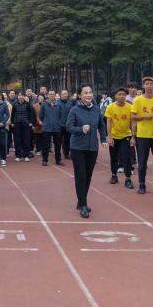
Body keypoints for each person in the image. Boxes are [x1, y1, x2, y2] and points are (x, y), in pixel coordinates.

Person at [66, 84, 107, 219]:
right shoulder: (74, 110)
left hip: (92, 148)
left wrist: (103, 139)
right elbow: (69, 127)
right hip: (78, 147)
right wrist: (81, 129)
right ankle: (83, 204)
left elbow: (101, 126)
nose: (89, 95)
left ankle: (81, 201)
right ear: (80, 95)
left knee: (88, 176)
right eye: (85, 93)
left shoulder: (96, 109)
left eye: (90, 92)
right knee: (81, 176)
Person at [130, 77, 153, 195]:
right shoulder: (138, 100)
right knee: (142, 161)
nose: (149, 86)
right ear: (143, 86)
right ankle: (142, 184)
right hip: (142, 135)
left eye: (151, 84)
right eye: (147, 84)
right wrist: (145, 117)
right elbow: (133, 117)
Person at [104, 88, 134, 188]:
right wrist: (109, 137)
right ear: (115, 96)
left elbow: (132, 122)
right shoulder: (110, 107)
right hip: (114, 136)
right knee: (113, 157)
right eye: (119, 94)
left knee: (126, 157)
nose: (121, 96)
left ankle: (128, 178)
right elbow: (108, 122)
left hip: (126, 136)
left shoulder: (130, 107)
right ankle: (114, 175)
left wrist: (133, 136)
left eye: (123, 94)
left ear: (126, 96)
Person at [11, 92, 35, 162]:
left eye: (22, 96)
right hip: (17, 124)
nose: (21, 97)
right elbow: (12, 114)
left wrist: (30, 122)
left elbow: (30, 114)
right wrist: (12, 122)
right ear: (18, 97)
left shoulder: (27, 104)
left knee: (26, 140)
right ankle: (18, 156)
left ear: (24, 97)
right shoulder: (15, 104)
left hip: (25, 124)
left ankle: (26, 155)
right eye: (19, 96)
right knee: (17, 140)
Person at [39, 93, 62, 167]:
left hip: (56, 128)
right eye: (50, 94)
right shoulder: (44, 104)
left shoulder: (59, 104)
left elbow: (60, 115)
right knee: (46, 145)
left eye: (53, 94)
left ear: (55, 95)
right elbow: (41, 116)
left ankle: (58, 160)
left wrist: (58, 123)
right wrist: (46, 121)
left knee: (57, 145)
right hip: (47, 127)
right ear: (48, 95)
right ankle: (45, 160)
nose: (52, 95)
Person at [58, 90, 73, 161]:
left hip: (68, 125)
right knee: (58, 140)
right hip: (59, 125)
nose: (65, 95)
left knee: (67, 140)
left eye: (66, 94)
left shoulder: (70, 103)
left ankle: (66, 154)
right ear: (60, 95)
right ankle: (58, 154)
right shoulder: (57, 103)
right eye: (63, 94)